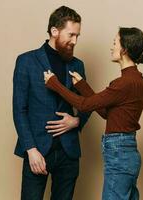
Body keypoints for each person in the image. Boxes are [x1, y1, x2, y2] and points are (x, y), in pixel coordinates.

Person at [44, 27, 143, 200]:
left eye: (115, 43)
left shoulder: (123, 83)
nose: (111, 47)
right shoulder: (139, 80)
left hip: (119, 152)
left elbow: (84, 106)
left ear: (124, 49)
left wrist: (54, 83)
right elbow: (107, 113)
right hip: (129, 151)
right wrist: (83, 86)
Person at [13, 6, 91, 200]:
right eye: (71, 34)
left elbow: (88, 102)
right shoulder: (26, 61)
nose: (75, 41)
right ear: (54, 31)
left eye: (77, 36)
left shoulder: (77, 64)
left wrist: (77, 121)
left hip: (69, 153)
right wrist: (30, 150)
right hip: (37, 149)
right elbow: (19, 109)